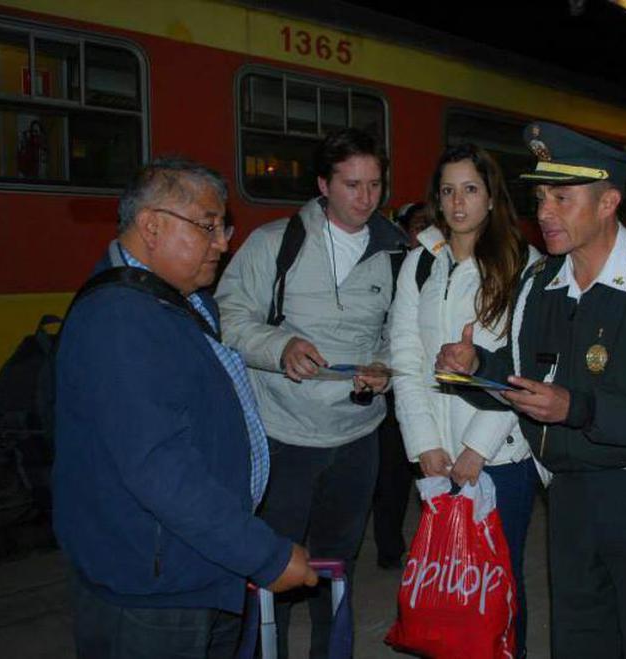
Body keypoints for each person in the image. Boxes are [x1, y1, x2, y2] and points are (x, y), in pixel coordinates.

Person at [438, 122, 626, 658]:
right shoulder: (540, 284)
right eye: (541, 197)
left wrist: (579, 408)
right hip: (568, 498)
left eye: (562, 198)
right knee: (581, 639)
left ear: (609, 201)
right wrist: (476, 368)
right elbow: (526, 379)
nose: (544, 212)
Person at [53, 157, 317, 659]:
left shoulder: (176, 300)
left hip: (193, 563)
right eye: (208, 226)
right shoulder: (120, 322)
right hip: (153, 591)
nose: (223, 242)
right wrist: (264, 555)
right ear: (152, 226)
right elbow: (162, 471)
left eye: (223, 227)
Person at [215, 128, 407, 658]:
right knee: (272, 565)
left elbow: (403, 334)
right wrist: (279, 345)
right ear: (323, 184)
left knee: (337, 566)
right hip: (285, 438)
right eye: (351, 184)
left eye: (374, 184)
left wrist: (384, 367)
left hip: (356, 439)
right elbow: (227, 317)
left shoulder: (397, 253)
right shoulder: (275, 243)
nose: (365, 198)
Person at [389, 144, 541, 656]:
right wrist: (424, 445)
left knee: (499, 584)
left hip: (500, 458)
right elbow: (406, 358)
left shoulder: (525, 263)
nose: (458, 203)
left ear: (492, 197)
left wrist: (477, 449)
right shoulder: (419, 265)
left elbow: (528, 365)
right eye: (448, 190)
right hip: (437, 455)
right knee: (451, 586)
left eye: (470, 189)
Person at [371, 201, 431, 570]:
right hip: (395, 385)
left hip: (432, 386)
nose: (423, 233)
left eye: (430, 225)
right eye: (417, 226)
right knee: (391, 476)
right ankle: (389, 548)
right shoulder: (391, 265)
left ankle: (434, 546)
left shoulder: (444, 267)